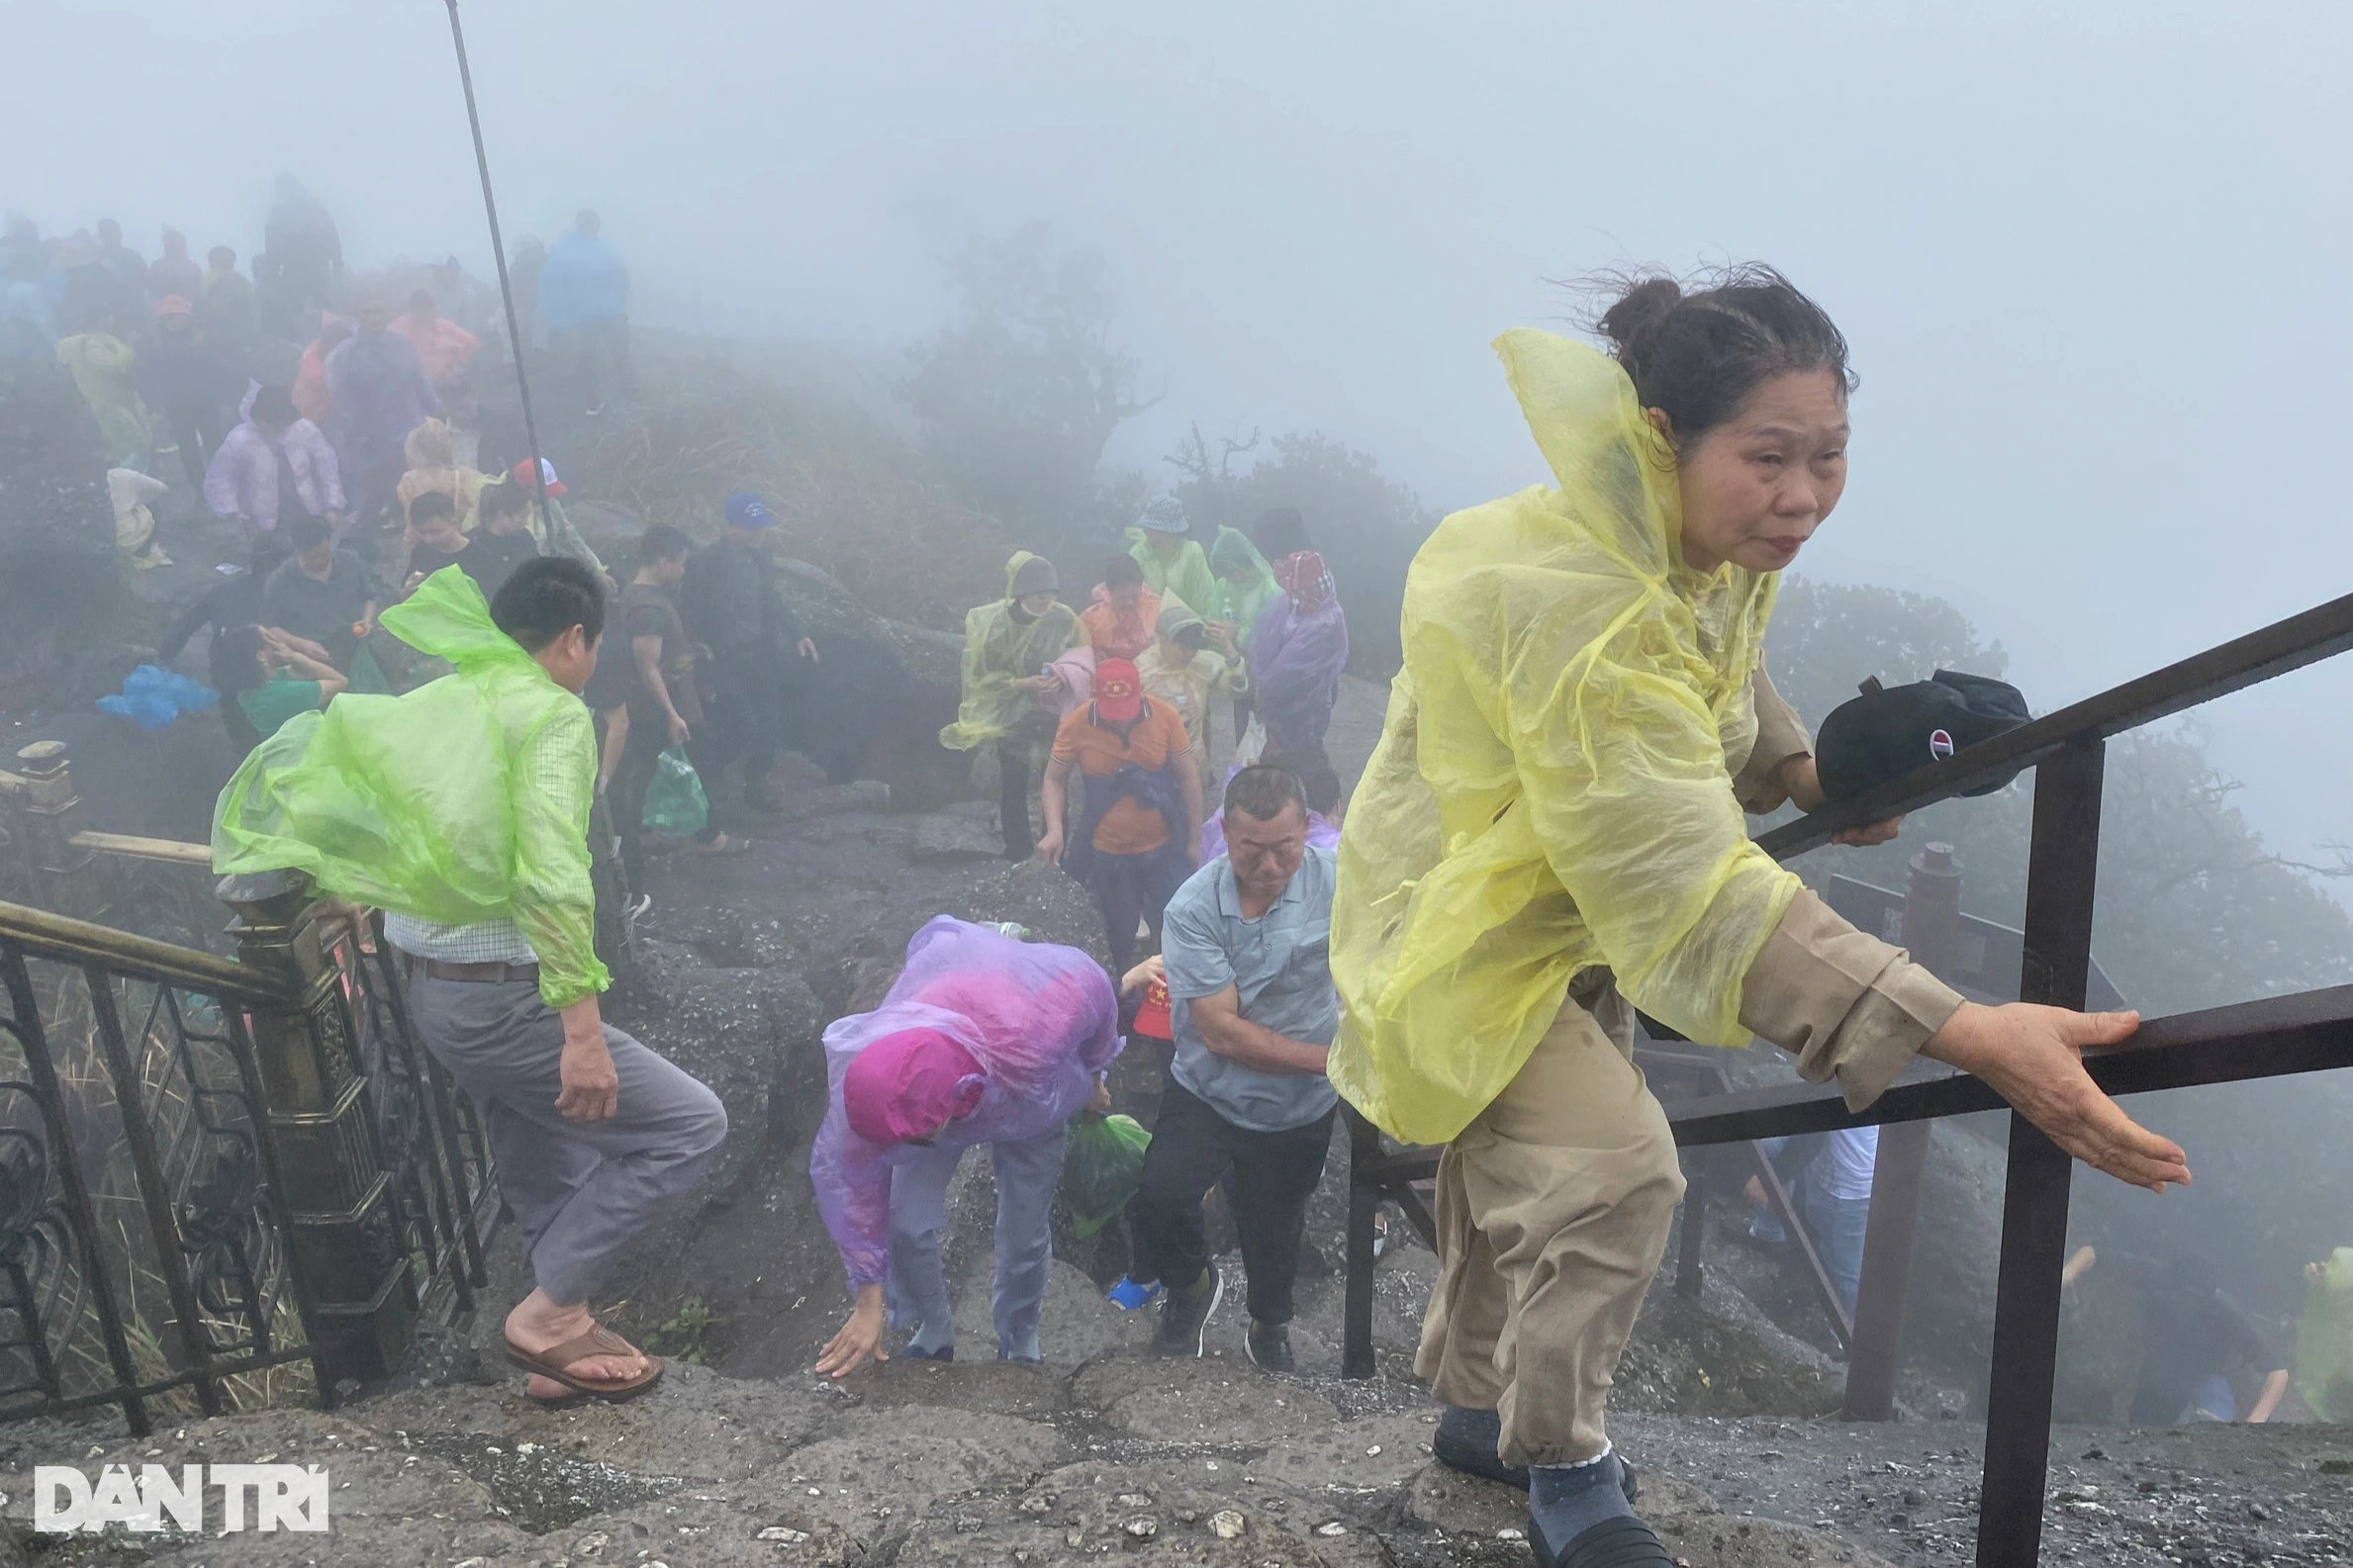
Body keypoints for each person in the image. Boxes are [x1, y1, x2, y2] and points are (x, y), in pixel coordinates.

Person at [1329, 269, 2190, 1564]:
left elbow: (1725, 675)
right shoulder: (1582, 602)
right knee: (1615, 1173)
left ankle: (1475, 1408)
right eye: (1768, 457)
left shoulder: (1690, 542)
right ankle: (1561, 1461)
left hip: (1551, 910)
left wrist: (1803, 774)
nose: (1800, 497)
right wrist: (1958, 1026)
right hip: (1455, 923)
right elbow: (1682, 877)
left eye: (1829, 457)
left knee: (1523, 1158)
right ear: (1664, 437)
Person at [213, 559, 728, 1407]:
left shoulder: (444, 697)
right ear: (575, 639)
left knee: (542, 1156)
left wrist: (355, 887)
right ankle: (547, 1316)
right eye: (592, 645)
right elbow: (554, 876)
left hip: (436, 991)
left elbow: (380, 799)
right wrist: (584, 1030)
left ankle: (555, 1339)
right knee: (688, 1125)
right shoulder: (553, 715)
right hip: (506, 994)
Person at [811, 917, 1120, 1373]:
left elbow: (1094, 989)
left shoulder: (1035, 1036)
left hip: (1027, 1093)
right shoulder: (877, 1088)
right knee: (905, 1221)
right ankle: (932, 1327)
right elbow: (853, 1189)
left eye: (910, 1143)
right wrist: (868, 1298)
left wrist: (1095, 1074)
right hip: (929, 1086)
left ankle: (1019, 1336)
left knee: (1023, 1226)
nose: (897, 1152)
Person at [1135, 765, 1340, 1373]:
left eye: (1284, 848)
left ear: (1308, 827)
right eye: (1252, 850)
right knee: (1161, 1194)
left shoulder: (1343, 884)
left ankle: (1269, 1324)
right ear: (1225, 833)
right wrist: (1334, 1063)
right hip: (1209, 1087)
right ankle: (1190, 1287)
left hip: (1297, 1106)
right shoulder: (1194, 908)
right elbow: (1220, 1032)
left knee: (1274, 1221)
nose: (1270, 866)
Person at [1038, 658, 1203, 973]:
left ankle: (1174, 996)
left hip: (1164, 848)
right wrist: (1055, 829)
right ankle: (1120, 997)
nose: (1121, 721)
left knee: (1178, 926)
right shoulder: (1075, 724)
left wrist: (1194, 839)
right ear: (1095, 697)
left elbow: (1188, 778)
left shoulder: (1165, 715)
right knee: (1120, 934)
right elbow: (1053, 779)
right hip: (1110, 854)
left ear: (1141, 694)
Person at [605, 523, 745, 886]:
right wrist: (673, 714)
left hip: (658, 704)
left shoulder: (637, 595)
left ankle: (646, 829)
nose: (683, 571)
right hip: (670, 706)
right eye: (680, 564)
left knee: (648, 765)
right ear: (664, 561)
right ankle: (710, 839)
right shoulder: (648, 608)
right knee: (703, 768)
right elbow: (646, 665)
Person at [939, 552, 1088, 861]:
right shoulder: (996, 626)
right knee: (1014, 783)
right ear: (1021, 592)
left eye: (1051, 592)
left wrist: (1064, 678)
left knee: (1055, 780)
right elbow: (981, 676)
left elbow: (1083, 657)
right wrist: (1022, 684)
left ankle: (1056, 849)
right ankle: (1017, 852)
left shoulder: (1064, 618)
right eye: (1039, 593)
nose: (1046, 598)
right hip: (1011, 716)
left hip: (1051, 713)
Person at [681, 492, 818, 811]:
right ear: (731, 528)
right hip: (724, 658)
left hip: (760, 653)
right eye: (752, 529)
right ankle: (711, 780)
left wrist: (797, 633)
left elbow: (771, 598)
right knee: (742, 725)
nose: (759, 535)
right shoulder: (707, 563)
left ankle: (756, 787)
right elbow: (691, 610)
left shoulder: (762, 556)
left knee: (771, 723)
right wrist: (698, 656)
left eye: (762, 528)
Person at [2062, 1246, 2289, 1425]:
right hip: (2158, 1376)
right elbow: (2094, 1254)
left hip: (2206, 1379)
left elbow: (2277, 1371)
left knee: (2212, 1427)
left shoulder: (2223, 1312)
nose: (2177, 1302)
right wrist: (2067, 1273)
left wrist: (2256, 1419)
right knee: (2143, 1431)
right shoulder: (2159, 1277)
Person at [160, 532, 294, 750]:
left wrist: (162, 660)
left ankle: (248, 764)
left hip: (227, 674)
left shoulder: (223, 592)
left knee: (242, 734)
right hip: (270, 674)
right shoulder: (288, 594)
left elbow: (184, 626)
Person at [325, 297, 440, 530]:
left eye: (378, 312)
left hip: (410, 430)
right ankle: (367, 542)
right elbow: (342, 402)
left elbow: (419, 380)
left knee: (413, 489)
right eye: (367, 312)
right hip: (371, 439)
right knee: (372, 496)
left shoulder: (402, 344)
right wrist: (357, 436)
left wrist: (437, 413)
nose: (373, 318)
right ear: (357, 315)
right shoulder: (344, 355)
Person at [1743, 1127, 1878, 1323]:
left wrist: (1768, 1181)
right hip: (1828, 1168)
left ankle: (1847, 1335)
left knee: (1847, 1272)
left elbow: (1813, 1136)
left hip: (1849, 1191)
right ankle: (1769, 1233)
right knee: (1769, 1146)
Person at [1249, 549, 1350, 760]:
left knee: (1300, 755)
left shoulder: (1325, 622)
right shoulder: (1284, 605)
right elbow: (1262, 644)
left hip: (1306, 709)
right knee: (1276, 753)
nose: (1295, 598)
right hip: (1278, 704)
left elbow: (1288, 673)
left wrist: (1265, 691)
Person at [1134, 599, 1250, 782]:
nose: (1188, 654)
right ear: (1163, 640)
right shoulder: (1142, 669)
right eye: (1182, 647)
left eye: (1193, 649)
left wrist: (1227, 647)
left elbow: (1238, 690)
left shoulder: (1203, 664)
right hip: (1154, 761)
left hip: (1194, 759)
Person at [204, 384, 344, 533]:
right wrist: (232, 511)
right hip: (263, 525)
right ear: (259, 418)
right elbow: (221, 478)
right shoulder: (240, 441)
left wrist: (332, 506)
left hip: (310, 514)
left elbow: (327, 469)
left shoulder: (305, 431)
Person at [261, 512, 383, 680]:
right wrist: (303, 645)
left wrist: (367, 620)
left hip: (354, 644)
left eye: (324, 554)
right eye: (311, 557)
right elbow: (272, 628)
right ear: (297, 549)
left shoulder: (350, 562)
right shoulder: (280, 581)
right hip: (314, 657)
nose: (319, 561)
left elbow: (370, 596)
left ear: (330, 542)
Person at [538, 210, 632, 415]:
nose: (590, 229)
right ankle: (601, 399)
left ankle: (615, 395)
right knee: (599, 354)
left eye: (590, 225)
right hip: (596, 312)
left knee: (604, 354)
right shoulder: (595, 250)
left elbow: (622, 277)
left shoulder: (570, 250)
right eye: (588, 225)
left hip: (597, 312)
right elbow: (623, 277)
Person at [138, 295, 232, 489]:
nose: (173, 321)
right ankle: (201, 489)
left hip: (204, 401)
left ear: (188, 318)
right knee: (188, 450)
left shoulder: (200, 339)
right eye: (168, 317)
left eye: (178, 316)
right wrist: (152, 404)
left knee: (215, 442)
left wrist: (224, 397)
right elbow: (147, 375)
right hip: (176, 406)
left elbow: (216, 368)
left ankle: (226, 482)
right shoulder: (154, 344)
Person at [215, 623, 347, 743]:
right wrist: (295, 656)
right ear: (260, 656)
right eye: (268, 639)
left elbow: (306, 673)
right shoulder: (283, 694)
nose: (275, 640)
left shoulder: (249, 688)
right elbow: (340, 682)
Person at [53, 313, 152, 470]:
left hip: (104, 399)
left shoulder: (76, 344)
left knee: (125, 442)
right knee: (132, 443)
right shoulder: (92, 345)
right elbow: (116, 366)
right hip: (110, 401)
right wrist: (129, 348)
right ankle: (135, 480)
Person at [1208, 524, 1278, 744]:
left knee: (1267, 736)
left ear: (1244, 562)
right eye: (1223, 570)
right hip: (1236, 669)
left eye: (1230, 569)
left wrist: (1237, 634)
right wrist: (1214, 630)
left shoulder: (1270, 589)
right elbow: (1213, 614)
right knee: (1244, 733)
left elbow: (1273, 639)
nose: (1228, 575)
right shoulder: (1225, 586)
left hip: (1266, 675)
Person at [405, 491, 538, 601]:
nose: (428, 539)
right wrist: (407, 591)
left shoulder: (481, 556)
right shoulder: (422, 551)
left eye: (435, 532)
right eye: (422, 533)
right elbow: (404, 596)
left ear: (454, 522)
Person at [259, 175, 343, 335]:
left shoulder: (277, 211)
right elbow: (333, 236)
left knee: (292, 311)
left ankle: (298, 346)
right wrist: (337, 266)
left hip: (294, 269)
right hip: (318, 266)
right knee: (327, 311)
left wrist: (274, 272)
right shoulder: (317, 207)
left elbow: (271, 241)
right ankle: (329, 342)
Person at [506, 459, 607, 573]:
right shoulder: (511, 518)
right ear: (525, 489)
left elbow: (570, 536)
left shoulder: (550, 504)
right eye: (544, 492)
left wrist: (598, 570)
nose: (549, 497)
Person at [395, 416, 485, 543]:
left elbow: (410, 516)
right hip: (459, 541)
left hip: (421, 542)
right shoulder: (465, 476)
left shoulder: (409, 481)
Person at [1128, 497, 1218, 619]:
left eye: (1150, 525)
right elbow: (1132, 598)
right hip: (1145, 630)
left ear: (1165, 530)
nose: (1144, 530)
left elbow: (1203, 602)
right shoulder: (1138, 553)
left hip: (1188, 629)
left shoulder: (1192, 552)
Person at [393, 287, 481, 389]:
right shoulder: (398, 328)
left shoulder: (445, 327)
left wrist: (457, 364)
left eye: (428, 307)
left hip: (446, 387)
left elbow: (473, 344)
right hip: (410, 388)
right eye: (420, 308)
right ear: (412, 309)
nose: (425, 313)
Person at [1081, 555, 1162, 663]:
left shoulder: (1159, 607)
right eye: (1123, 598)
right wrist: (1092, 658)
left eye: (1134, 596)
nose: (1129, 602)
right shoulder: (1091, 618)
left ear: (1141, 585)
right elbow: (1078, 651)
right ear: (1110, 591)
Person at [196, 246, 257, 375]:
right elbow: (253, 314)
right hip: (233, 342)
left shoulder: (206, 283)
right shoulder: (242, 283)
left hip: (220, 342)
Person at [106, 467, 172, 571]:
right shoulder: (122, 475)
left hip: (98, 538)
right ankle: (147, 551)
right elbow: (163, 488)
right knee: (152, 503)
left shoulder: (77, 479)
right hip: (126, 541)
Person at [292, 312, 351, 426]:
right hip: (309, 416)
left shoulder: (334, 352)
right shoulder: (310, 357)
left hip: (325, 414)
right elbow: (325, 383)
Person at [92, 219, 146, 301]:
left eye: (111, 232)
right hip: (104, 306)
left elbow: (146, 281)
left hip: (132, 304)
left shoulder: (133, 256)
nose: (110, 236)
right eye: (106, 232)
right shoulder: (96, 258)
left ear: (119, 234)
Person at [147, 227, 203, 305]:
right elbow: (199, 294)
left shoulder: (156, 266)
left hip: (163, 312)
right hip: (187, 312)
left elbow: (152, 294)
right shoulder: (193, 267)